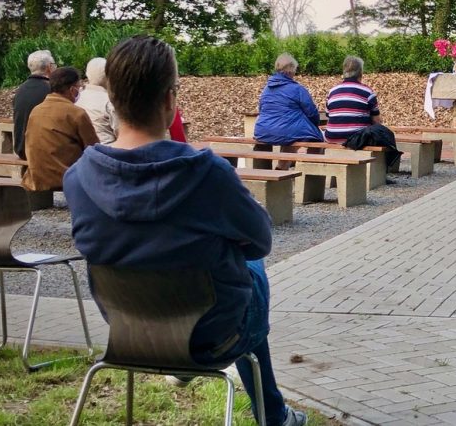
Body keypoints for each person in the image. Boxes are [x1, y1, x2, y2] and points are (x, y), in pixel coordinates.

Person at [63, 35, 306, 426]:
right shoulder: (208, 173)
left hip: (129, 331)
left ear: (112, 101)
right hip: (214, 335)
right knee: (253, 270)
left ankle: (188, 366)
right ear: (169, 101)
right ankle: (272, 416)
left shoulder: (78, 178)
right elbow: (260, 241)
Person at [21, 67, 99, 192]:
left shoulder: (36, 110)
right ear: (73, 90)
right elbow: (94, 148)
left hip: (36, 177)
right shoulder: (76, 113)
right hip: (66, 177)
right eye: (79, 87)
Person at [254, 53, 323, 144]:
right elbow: (312, 113)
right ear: (291, 70)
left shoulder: (266, 89)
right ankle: (311, 158)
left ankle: (274, 158)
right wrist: (315, 125)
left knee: (287, 134)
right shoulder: (297, 89)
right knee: (316, 138)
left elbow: (261, 109)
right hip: (287, 132)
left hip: (262, 131)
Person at [324, 56, 381, 143]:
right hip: (357, 139)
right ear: (361, 73)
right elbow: (376, 120)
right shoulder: (367, 92)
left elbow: (329, 116)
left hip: (332, 137)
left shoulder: (332, 91)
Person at [12, 49, 56, 159]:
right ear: (49, 68)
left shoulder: (20, 90)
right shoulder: (52, 90)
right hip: (41, 151)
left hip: (21, 148)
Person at [75, 57, 117, 144]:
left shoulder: (76, 99)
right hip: (108, 150)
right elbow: (120, 132)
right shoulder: (109, 102)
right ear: (107, 76)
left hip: (84, 150)